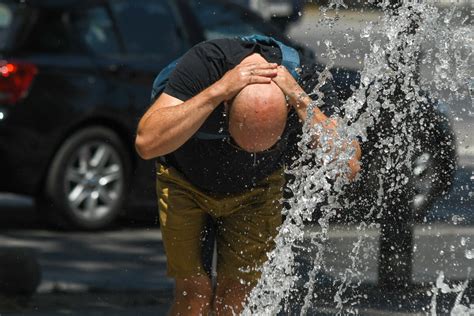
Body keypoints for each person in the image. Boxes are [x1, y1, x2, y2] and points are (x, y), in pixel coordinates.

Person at [135, 37, 361, 315]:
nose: (248, 156)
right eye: (238, 144)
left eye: (264, 148)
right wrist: (216, 92)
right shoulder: (203, 66)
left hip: (258, 189)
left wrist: (302, 102)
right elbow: (146, 143)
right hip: (185, 181)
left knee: (236, 297)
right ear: (227, 109)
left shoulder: (305, 80)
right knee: (194, 292)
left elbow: (348, 165)